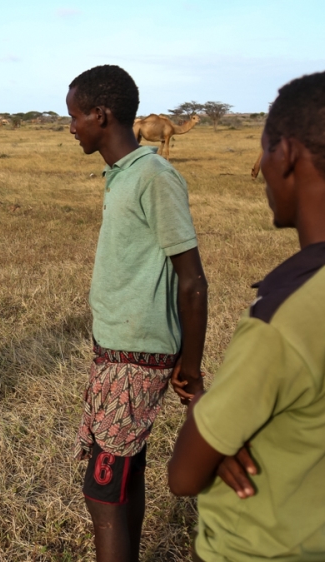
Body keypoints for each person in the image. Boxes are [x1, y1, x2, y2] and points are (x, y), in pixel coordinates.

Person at [167, 68, 325, 561]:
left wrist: (208, 421)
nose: (262, 165)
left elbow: (183, 476)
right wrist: (224, 437)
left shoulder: (284, 316)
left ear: (285, 156)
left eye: (265, 149)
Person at [66, 65, 208, 562]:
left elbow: (192, 279)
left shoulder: (154, 176)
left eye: (76, 117)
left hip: (135, 357)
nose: (71, 128)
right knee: (126, 477)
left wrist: (191, 365)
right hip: (116, 349)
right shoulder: (123, 174)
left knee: (102, 491)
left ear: (101, 115)